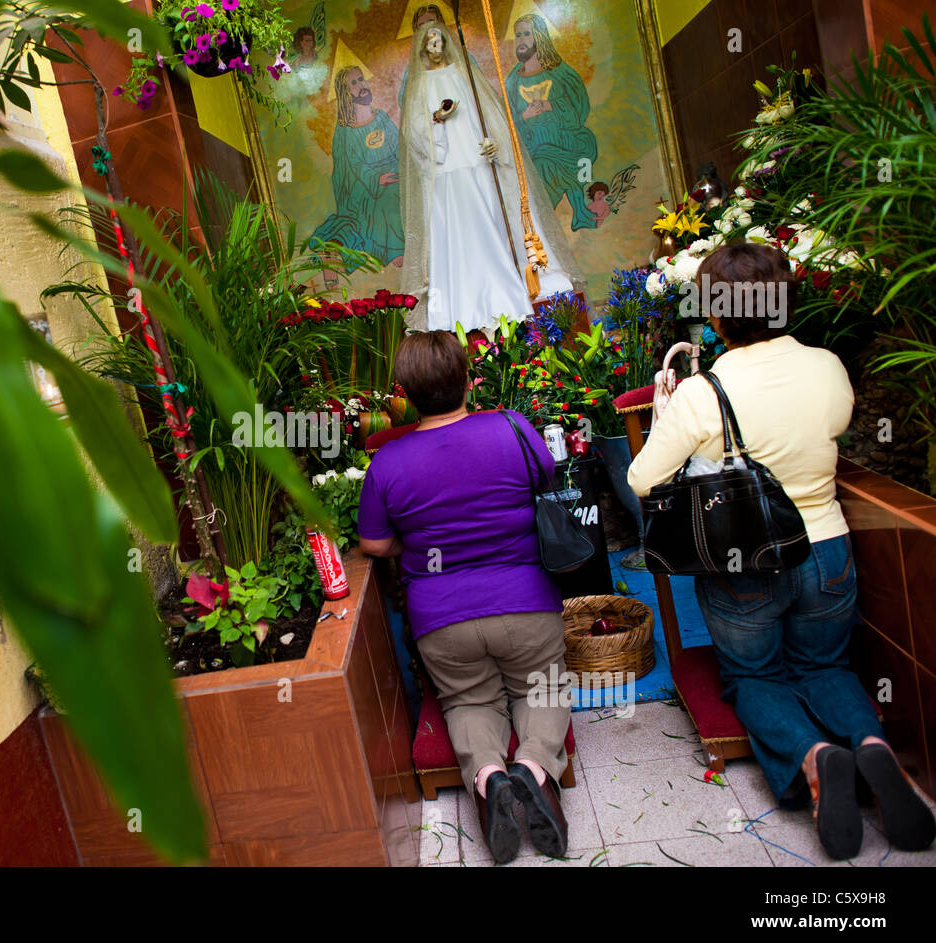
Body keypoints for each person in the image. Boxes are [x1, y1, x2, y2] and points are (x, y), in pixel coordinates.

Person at [627, 243, 936, 859]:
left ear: (714, 315)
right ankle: (872, 748)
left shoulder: (703, 392)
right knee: (826, 666)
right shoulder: (826, 365)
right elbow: (839, 425)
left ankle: (815, 758)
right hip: (828, 551)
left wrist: (674, 420)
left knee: (752, 674)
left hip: (746, 565)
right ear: (785, 301)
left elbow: (641, 479)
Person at [358, 331, 570, 864]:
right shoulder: (512, 428)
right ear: (467, 380)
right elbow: (547, 477)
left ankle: (489, 776)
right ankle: (536, 769)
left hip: (442, 619)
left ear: (404, 393)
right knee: (541, 687)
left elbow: (375, 544)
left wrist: (422, 540)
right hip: (525, 601)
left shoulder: (387, 462)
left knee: (468, 699)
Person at [399, 22, 579, 335]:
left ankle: (503, 295)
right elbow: (416, 131)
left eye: (439, 39)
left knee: (490, 226)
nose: (435, 45)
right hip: (446, 173)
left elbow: (486, 114)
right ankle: (460, 307)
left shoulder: (462, 74)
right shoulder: (421, 85)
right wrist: (436, 119)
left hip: (476, 162)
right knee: (455, 238)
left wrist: (492, 141)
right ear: (423, 48)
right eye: (429, 41)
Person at [306, 66, 404, 281]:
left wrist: (401, 170)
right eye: (353, 83)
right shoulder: (345, 130)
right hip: (364, 186)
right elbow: (351, 166)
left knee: (403, 190)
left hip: (394, 173)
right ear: (345, 92)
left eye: (361, 80)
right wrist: (376, 179)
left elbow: (400, 147)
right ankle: (394, 251)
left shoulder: (382, 118)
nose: (361, 86)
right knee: (388, 195)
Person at [503, 14, 599, 231]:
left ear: (540, 36)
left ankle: (549, 225)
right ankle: (544, 228)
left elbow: (579, 107)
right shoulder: (512, 81)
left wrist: (550, 106)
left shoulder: (559, 72)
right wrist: (524, 116)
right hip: (534, 150)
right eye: (518, 35)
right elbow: (504, 120)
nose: (521, 40)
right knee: (541, 166)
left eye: (527, 34)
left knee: (548, 165)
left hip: (567, 143)